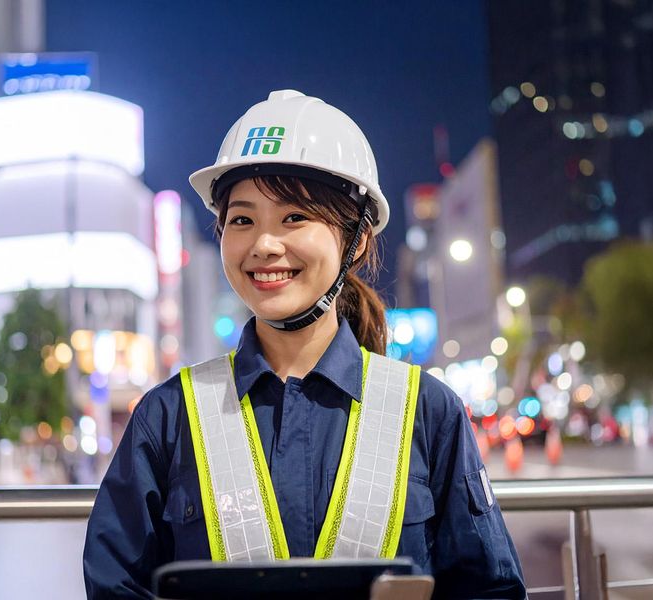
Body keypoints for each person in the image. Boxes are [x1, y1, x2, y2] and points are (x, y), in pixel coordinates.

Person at [83, 90, 527, 599]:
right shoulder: (167, 416)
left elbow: (490, 590)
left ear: (357, 238)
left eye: (294, 217)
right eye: (242, 219)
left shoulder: (428, 412)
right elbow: (114, 586)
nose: (264, 245)